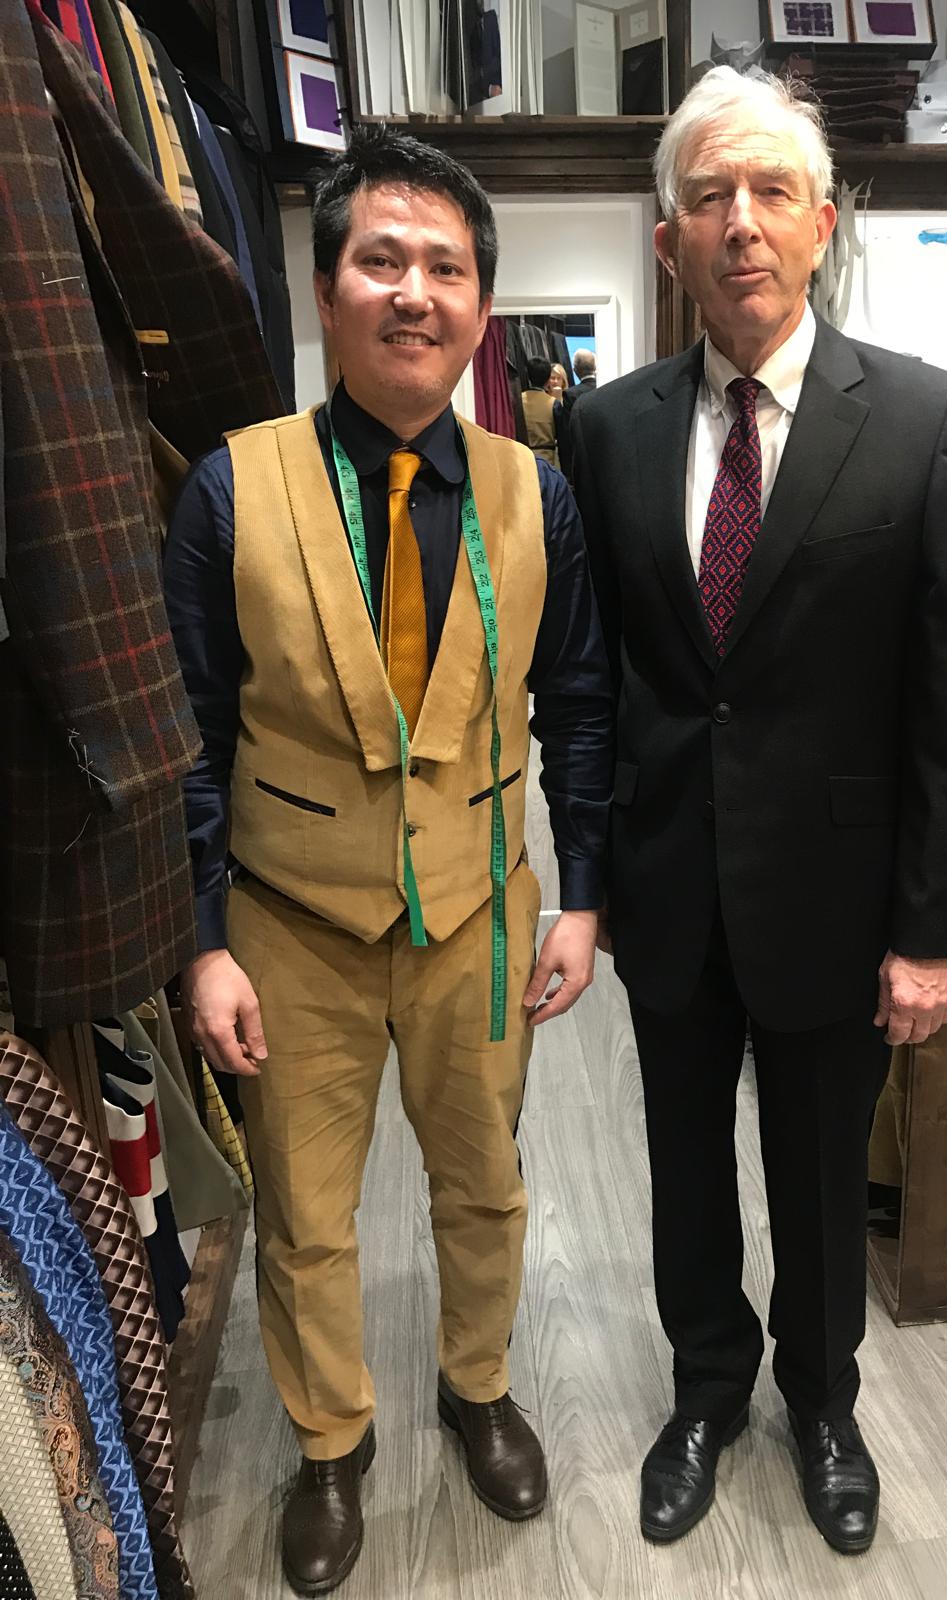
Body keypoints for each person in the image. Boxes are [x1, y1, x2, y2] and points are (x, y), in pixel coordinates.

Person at [163, 126, 613, 1596]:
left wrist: (583, 895)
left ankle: (478, 1389)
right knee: (306, 1210)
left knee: (485, 1181)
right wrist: (202, 940)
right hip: (289, 921)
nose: (414, 292)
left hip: (482, 908)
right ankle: (331, 1443)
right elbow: (187, 734)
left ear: (481, 306)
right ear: (325, 289)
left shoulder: (537, 496)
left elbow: (581, 702)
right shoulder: (231, 490)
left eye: (446, 268)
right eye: (381, 261)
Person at [571, 66, 947, 1556]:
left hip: (838, 893)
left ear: (823, 221)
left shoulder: (923, 417)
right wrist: (586, 876)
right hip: (668, 884)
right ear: (670, 237)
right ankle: (706, 1392)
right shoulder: (607, 430)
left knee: (820, 1177)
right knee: (685, 1170)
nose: (740, 222)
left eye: (770, 193)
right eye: (709, 197)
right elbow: (596, 676)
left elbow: (946, 702)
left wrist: (930, 933)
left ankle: (822, 1404)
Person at [557, 348, 598, 484]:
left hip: (581, 456)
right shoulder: (605, 387)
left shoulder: (570, 395)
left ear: (574, 370)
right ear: (595, 367)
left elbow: (566, 433)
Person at [521, 356, 559, 468]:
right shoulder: (553, 404)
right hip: (547, 461)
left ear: (528, 376)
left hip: (523, 458)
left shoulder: (517, 401)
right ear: (548, 379)